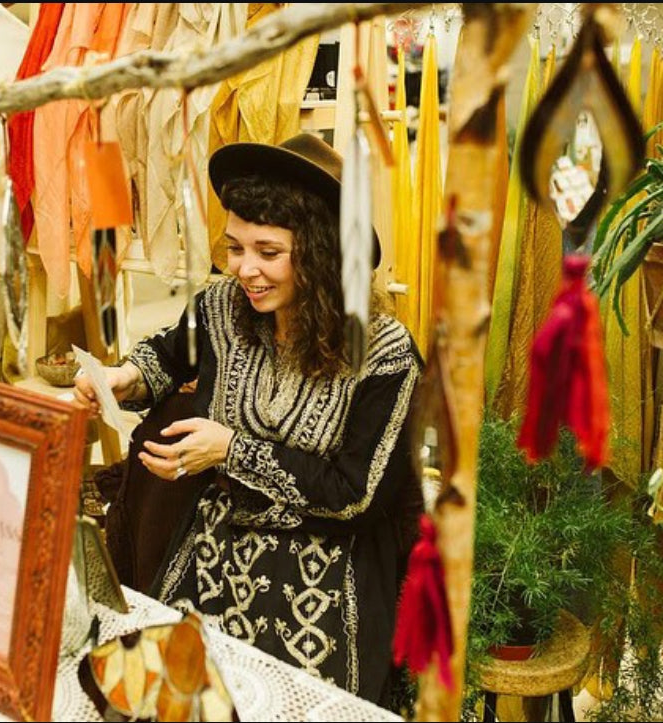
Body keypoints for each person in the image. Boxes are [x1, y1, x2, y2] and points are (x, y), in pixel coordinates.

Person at [75, 133, 422, 704]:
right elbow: (167, 354)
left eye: (268, 252)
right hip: (217, 538)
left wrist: (231, 451)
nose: (245, 270)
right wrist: (123, 378)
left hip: (327, 563)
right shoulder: (222, 309)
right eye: (235, 248)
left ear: (322, 254)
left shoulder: (384, 354)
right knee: (163, 696)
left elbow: (357, 495)